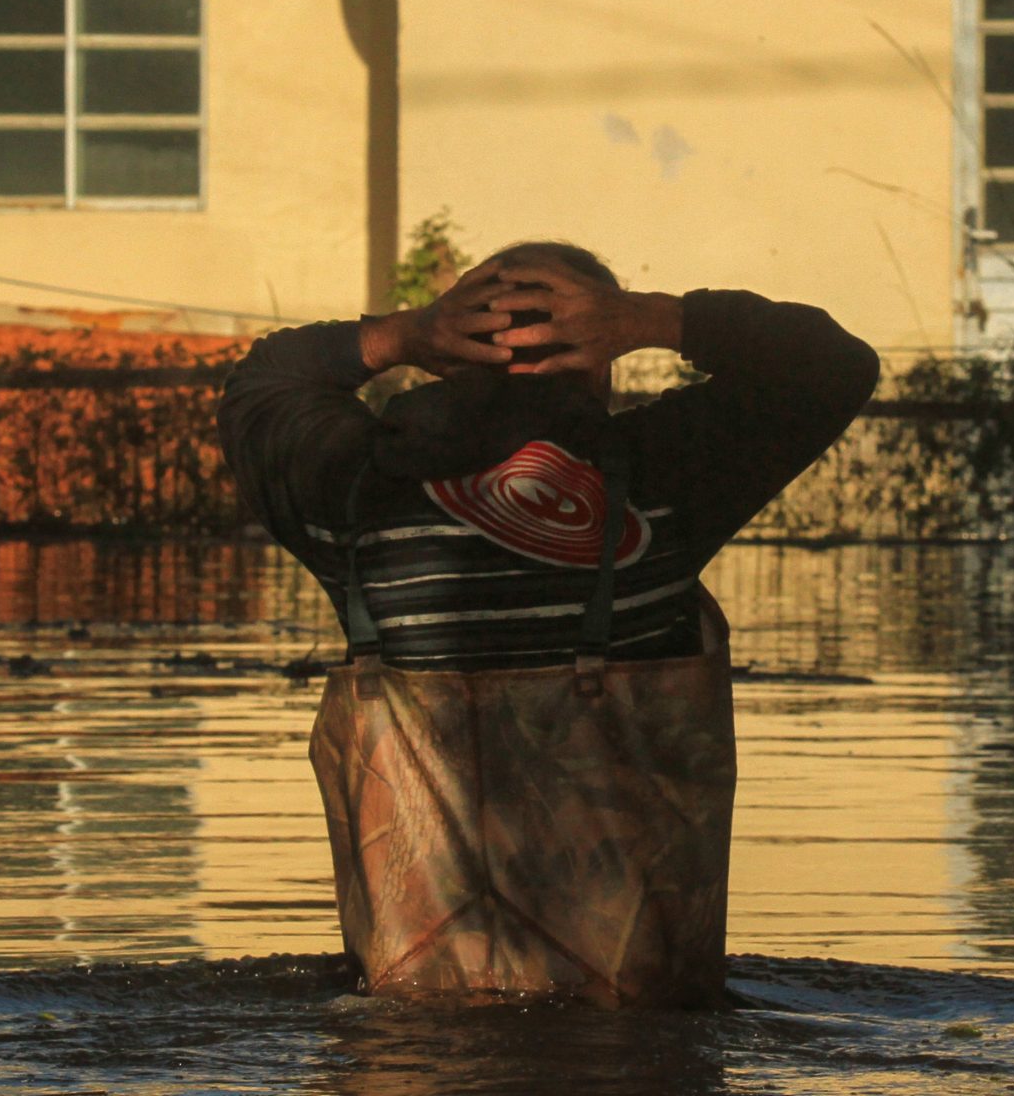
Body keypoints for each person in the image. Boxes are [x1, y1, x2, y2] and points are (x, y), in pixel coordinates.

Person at [217, 242, 877, 1006]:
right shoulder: (664, 481)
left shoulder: (350, 492)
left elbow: (262, 380)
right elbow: (834, 365)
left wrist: (404, 334)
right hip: (637, 1027)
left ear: (450, 357)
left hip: (409, 1036)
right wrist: (653, 319)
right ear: (603, 360)